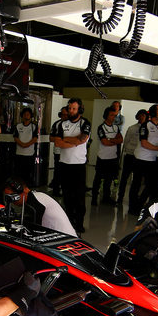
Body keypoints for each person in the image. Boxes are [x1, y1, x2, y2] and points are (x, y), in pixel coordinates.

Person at [51, 98, 92, 233]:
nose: (71, 111)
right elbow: (57, 143)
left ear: (79, 109)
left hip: (78, 165)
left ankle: (79, 223)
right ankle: (69, 221)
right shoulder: (62, 124)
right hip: (64, 164)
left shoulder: (85, 123)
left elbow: (82, 139)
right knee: (67, 196)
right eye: (70, 108)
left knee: (79, 197)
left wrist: (67, 140)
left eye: (74, 108)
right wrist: (73, 141)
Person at [129, 104, 158, 215]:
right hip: (141, 158)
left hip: (152, 160)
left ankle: (142, 206)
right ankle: (133, 208)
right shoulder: (146, 125)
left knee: (150, 185)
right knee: (136, 184)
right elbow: (144, 143)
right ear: (154, 113)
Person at [3, 177, 77, 236]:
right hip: (61, 237)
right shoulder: (38, 196)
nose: (13, 201)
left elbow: (33, 230)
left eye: (13, 197)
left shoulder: (34, 203)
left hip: (64, 240)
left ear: (24, 190)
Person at [91, 107, 123, 205]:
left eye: (114, 115)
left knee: (109, 179)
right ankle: (94, 198)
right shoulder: (101, 127)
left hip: (112, 158)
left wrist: (111, 140)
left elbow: (120, 140)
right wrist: (114, 141)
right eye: (111, 115)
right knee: (98, 179)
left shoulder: (116, 127)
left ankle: (106, 198)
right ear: (106, 115)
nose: (113, 117)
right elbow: (104, 142)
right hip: (102, 158)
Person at [116, 109, 147, 207]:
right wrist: (126, 151)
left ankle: (133, 200)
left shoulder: (147, 128)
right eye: (140, 115)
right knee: (124, 178)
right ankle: (120, 198)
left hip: (140, 157)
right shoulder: (132, 128)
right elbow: (126, 141)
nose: (142, 117)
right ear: (137, 116)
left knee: (137, 181)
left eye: (144, 116)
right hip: (130, 155)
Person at [14, 107, 39, 185]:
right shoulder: (18, 126)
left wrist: (26, 145)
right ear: (22, 116)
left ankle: (27, 188)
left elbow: (35, 138)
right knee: (19, 172)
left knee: (28, 172)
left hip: (29, 154)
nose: (26, 116)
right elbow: (15, 137)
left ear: (30, 116)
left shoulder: (34, 126)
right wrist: (22, 144)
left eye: (28, 114)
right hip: (19, 153)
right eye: (25, 114)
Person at [48, 107, 68, 197]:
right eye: (63, 114)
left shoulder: (72, 124)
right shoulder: (56, 124)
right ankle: (56, 190)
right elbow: (51, 138)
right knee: (58, 172)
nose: (65, 116)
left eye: (66, 114)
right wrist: (62, 140)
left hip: (69, 153)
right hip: (58, 152)